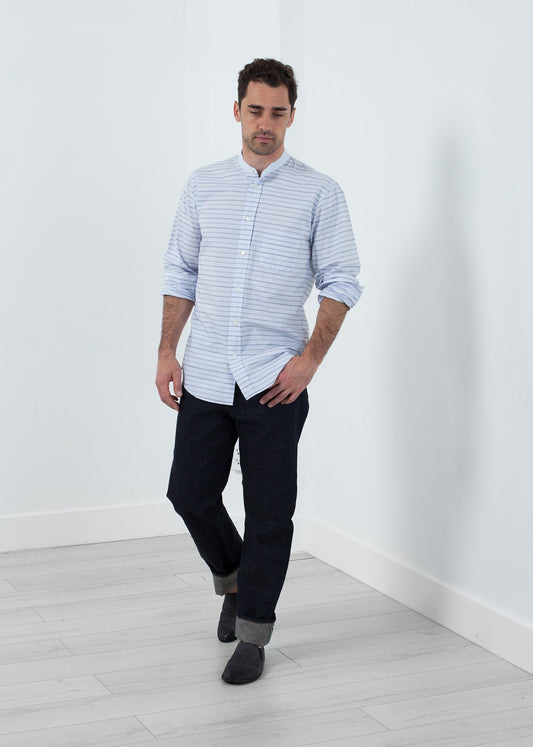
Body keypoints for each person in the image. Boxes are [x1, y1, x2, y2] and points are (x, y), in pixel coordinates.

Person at [156, 58, 362, 685]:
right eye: (255, 110)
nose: (264, 123)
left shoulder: (320, 192)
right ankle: (236, 581)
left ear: (292, 116)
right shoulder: (203, 185)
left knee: (269, 513)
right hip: (207, 372)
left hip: (275, 379)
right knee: (189, 493)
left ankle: (253, 634)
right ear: (237, 111)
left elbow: (341, 281)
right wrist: (167, 351)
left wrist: (309, 362)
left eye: (277, 112)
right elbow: (180, 272)